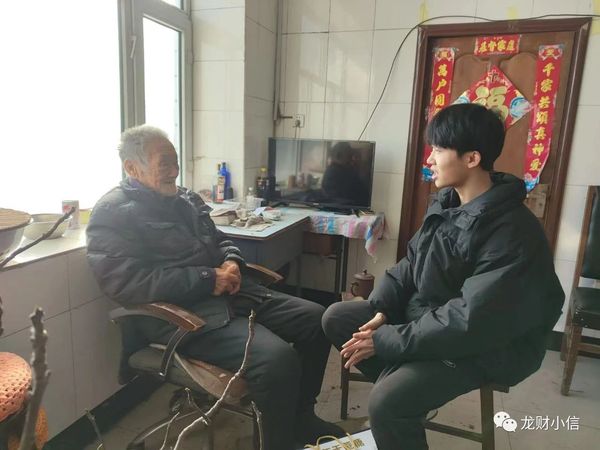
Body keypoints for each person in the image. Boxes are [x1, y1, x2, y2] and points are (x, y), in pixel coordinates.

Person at [322, 103, 565, 450]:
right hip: (435, 319)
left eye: (438, 149)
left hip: (488, 344)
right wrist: (382, 311)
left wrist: (389, 340)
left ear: (472, 158)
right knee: (337, 318)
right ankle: (410, 395)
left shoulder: (512, 231)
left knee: (387, 402)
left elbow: (472, 318)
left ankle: (402, 401)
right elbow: (411, 263)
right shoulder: (448, 203)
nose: (430, 159)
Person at [86, 125, 344, 450]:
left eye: (176, 161)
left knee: (317, 320)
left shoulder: (185, 198)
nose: (174, 171)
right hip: (182, 317)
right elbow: (127, 283)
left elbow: (221, 239)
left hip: (231, 295)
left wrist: (232, 261)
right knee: (276, 359)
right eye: (164, 163)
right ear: (132, 168)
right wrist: (208, 278)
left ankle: (301, 418)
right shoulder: (112, 213)